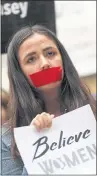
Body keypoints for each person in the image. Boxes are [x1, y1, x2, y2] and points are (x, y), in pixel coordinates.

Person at [1, 25, 96, 175]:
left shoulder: (94, 108)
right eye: (31, 59)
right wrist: (34, 144)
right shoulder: (6, 140)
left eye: (50, 53)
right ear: (20, 74)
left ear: (63, 60)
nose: (45, 63)